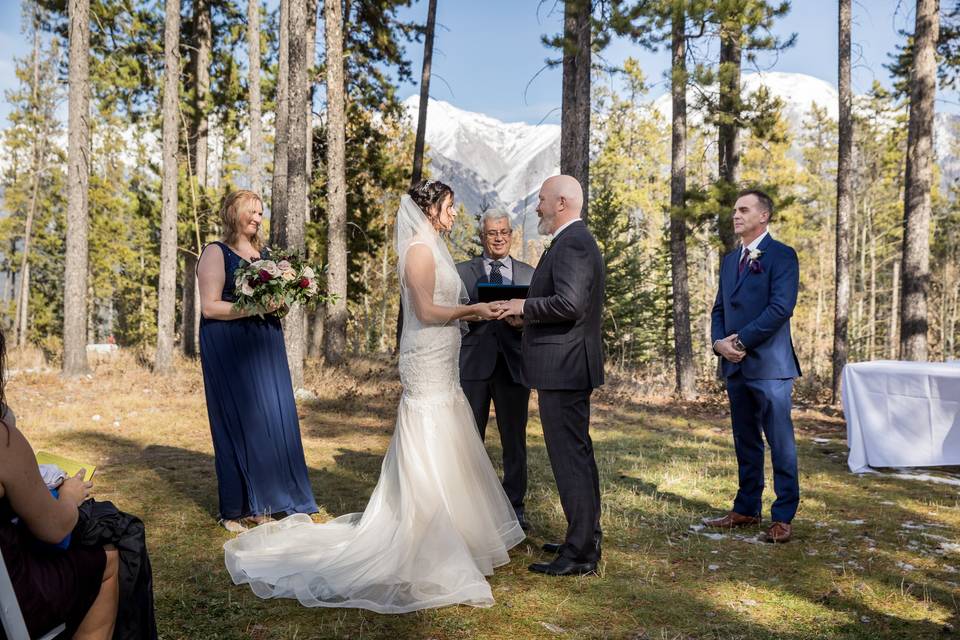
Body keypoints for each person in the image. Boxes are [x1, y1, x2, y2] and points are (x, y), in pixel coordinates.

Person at [223, 179, 524, 614]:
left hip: (442, 356)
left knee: (449, 433)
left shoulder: (434, 247)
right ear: (431, 209)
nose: (455, 213)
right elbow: (425, 312)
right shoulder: (419, 250)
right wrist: (472, 310)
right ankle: (423, 532)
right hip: (425, 356)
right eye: (450, 206)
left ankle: (456, 530)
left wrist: (475, 313)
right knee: (428, 433)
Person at [497, 175, 605, 577]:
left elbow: (570, 303)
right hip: (566, 365)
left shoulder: (574, 242)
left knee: (569, 458)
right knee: (576, 455)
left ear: (562, 202)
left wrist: (523, 308)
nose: (538, 207)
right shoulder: (570, 241)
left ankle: (580, 553)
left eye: (542, 200)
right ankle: (584, 536)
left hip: (565, 367)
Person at [197, 190, 318, 533]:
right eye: (252, 211)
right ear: (233, 212)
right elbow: (210, 307)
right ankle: (237, 508)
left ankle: (275, 499)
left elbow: (273, 303)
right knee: (237, 422)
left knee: (274, 417)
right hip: (229, 346)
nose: (257, 218)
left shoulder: (264, 255)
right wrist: (256, 307)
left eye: (261, 213)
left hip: (266, 342)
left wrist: (283, 300)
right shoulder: (216, 252)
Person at [0, 328, 120, 640]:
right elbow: (53, 528)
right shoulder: (4, 441)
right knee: (108, 557)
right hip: (9, 601)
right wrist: (69, 495)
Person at [704, 189, 802, 544]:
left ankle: (783, 516)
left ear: (764, 216)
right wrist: (719, 344)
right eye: (734, 210)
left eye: (744, 210)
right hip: (735, 366)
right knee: (745, 440)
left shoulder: (782, 256)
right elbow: (719, 309)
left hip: (770, 366)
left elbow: (781, 308)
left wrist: (740, 342)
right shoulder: (731, 261)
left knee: (780, 442)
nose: (736, 215)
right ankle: (746, 507)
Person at [456, 209, 535, 530]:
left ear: (511, 234)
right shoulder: (462, 272)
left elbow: (538, 320)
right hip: (473, 364)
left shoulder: (529, 274)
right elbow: (451, 316)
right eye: (492, 233)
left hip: (514, 366)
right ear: (482, 236)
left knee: (513, 440)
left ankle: (515, 507)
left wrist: (521, 323)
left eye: (503, 232)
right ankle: (469, 506)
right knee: (468, 439)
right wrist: (475, 313)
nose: (499, 237)